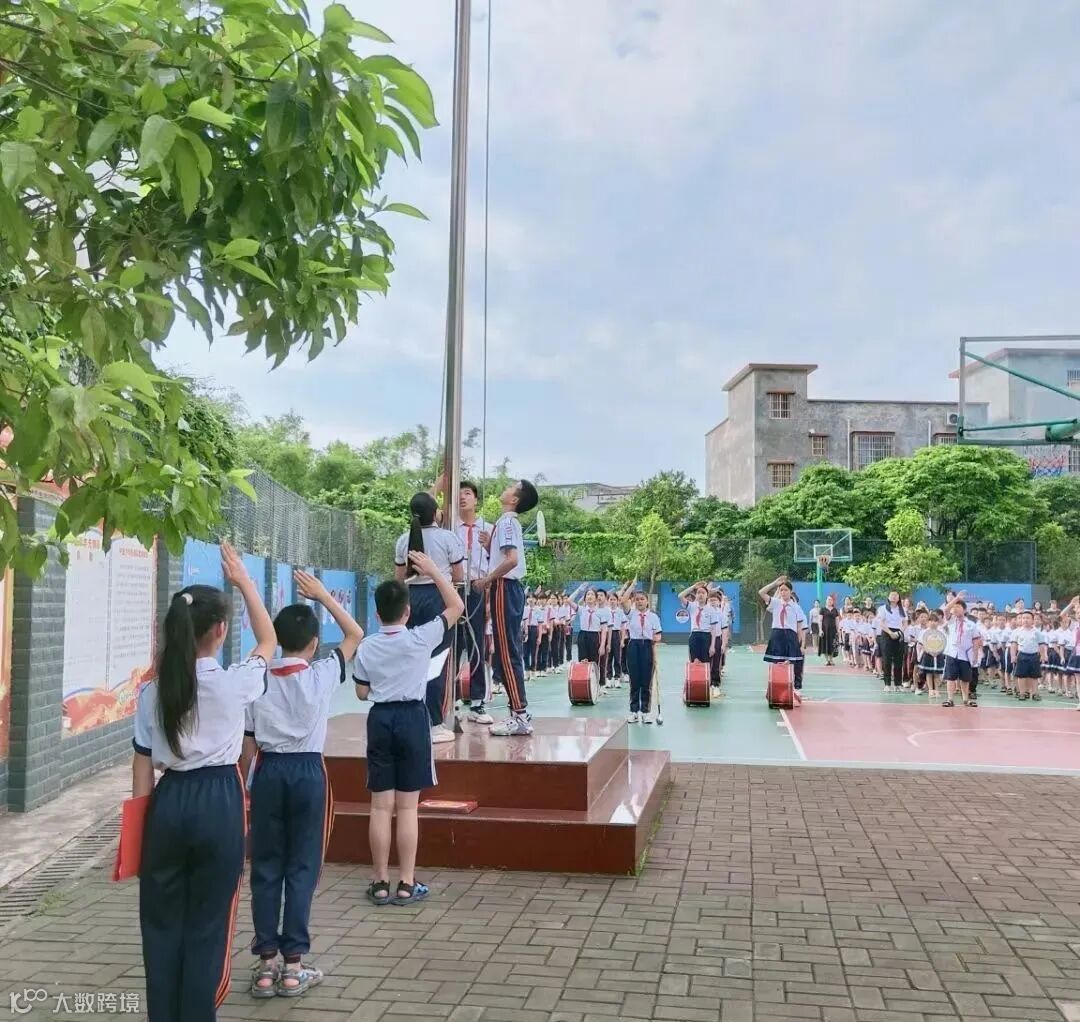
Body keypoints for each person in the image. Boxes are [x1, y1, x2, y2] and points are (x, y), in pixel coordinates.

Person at [134, 542, 276, 1022]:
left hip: (167, 802)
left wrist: (138, 836)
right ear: (219, 630)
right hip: (219, 801)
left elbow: (141, 768)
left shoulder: (152, 692)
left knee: (160, 924)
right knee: (208, 925)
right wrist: (244, 582)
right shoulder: (234, 683)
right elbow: (268, 641)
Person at [243, 572, 363, 998]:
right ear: (314, 644)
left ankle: (265, 965)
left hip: (268, 772)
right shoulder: (322, 674)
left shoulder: (258, 677)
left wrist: (246, 787)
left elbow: (248, 744)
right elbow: (355, 633)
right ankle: (293, 966)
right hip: (308, 774)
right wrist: (323, 596)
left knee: (265, 867)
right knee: (302, 868)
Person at [354, 551, 464, 906]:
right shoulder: (420, 638)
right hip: (413, 719)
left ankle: (379, 882)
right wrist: (433, 570)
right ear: (408, 611)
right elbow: (456, 606)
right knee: (407, 808)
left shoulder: (367, 646)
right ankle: (406, 882)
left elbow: (361, 693)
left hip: (380, 720)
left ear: (377, 614)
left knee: (380, 807)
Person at [394, 492, 465, 745]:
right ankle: (435, 723)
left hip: (410, 600)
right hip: (439, 598)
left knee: (412, 659)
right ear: (436, 513)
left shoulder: (404, 540)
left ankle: (411, 719)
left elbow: (398, 578)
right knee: (439, 660)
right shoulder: (448, 538)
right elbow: (458, 576)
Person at [474, 479, 539, 736]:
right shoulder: (504, 523)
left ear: (514, 499)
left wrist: (487, 579)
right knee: (506, 651)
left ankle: (520, 715)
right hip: (506, 588)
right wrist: (489, 546)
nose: (507, 486)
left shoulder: (508, 523)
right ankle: (518, 712)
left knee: (507, 652)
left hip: (504, 587)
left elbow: (511, 560)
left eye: (512, 486)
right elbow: (505, 556)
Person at [453, 480, 494, 724]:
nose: (462, 497)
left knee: (476, 643)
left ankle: (477, 702)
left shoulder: (488, 528)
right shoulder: (449, 527)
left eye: (467, 493)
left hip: (478, 588)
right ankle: (452, 697)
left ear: (476, 499)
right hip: (454, 589)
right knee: (453, 644)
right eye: (458, 494)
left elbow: (496, 562)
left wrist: (488, 545)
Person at [759, 576, 806, 703]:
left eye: (786, 590)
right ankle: (774, 690)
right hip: (777, 634)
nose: (783, 592)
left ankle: (795, 690)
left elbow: (800, 627)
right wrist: (775, 583)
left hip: (790, 636)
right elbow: (761, 592)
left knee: (792, 663)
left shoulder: (796, 607)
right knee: (776, 664)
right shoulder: (775, 603)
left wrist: (800, 643)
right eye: (781, 590)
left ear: (790, 591)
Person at [623, 590, 662, 724]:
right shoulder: (631, 614)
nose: (639, 601)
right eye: (637, 599)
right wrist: (632, 586)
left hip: (647, 646)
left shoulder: (653, 617)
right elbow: (623, 600)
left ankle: (645, 712)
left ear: (647, 601)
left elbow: (658, 634)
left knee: (646, 680)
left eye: (642, 599)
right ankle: (634, 711)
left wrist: (655, 638)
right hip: (634, 645)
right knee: (634, 680)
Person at [942, 594, 981, 708]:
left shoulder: (971, 625)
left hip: (965, 655)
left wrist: (975, 655)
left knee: (965, 678)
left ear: (964, 610)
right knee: (950, 677)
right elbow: (946, 609)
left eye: (958, 607)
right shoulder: (951, 621)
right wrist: (957, 598)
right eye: (954, 607)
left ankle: (965, 699)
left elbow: (976, 640)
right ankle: (950, 699)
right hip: (952, 653)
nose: (955, 609)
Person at [1010, 610, 1047, 702]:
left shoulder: (1037, 632)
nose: (1025, 620)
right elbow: (1013, 645)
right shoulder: (1017, 632)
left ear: (1032, 620)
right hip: (1022, 655)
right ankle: (1022, 693)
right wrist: (1013, 656)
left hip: (1034, 656)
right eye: (1023, 618)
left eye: (1028, 618)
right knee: (1021, 675)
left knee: (1034, 676)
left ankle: (1035, 693)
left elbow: (1041, 645)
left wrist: (1043, 655)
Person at [877, 592, 908, 693]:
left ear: (899, 598)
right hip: (887, 633)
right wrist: (890, 633)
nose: (894, 597)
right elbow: (881, 623)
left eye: (896, 595)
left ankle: (898, 684)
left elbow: (905, 623)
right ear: (888, 597)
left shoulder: (902, 609)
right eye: (892, 595)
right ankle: (887, 684)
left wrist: (899, 632)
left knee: (899, 660)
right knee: (887, 660)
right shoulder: (882, 608)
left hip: (899, 633)